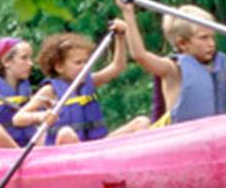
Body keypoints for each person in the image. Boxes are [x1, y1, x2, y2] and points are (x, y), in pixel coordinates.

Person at [116, 0, 226, 125]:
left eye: (212, 37)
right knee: (143, 124)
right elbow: (140, 55)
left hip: (207, 140)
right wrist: (128, 12)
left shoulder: (215, 69)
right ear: (183, 43)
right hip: (177, 140)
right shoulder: (172, 69)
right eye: (204, 38)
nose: (211, 43)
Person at [13, 23, 151, 144]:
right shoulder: (50, 91)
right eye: (78, 63)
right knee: (66, 133)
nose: (85, 66)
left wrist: (120, 37)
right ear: (59, 67)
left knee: (142, 122)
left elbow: (117, 66)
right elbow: (18, 118)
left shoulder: (90, 81)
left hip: (96, 145)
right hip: (65, 148)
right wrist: (40, 116)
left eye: (86, 61)